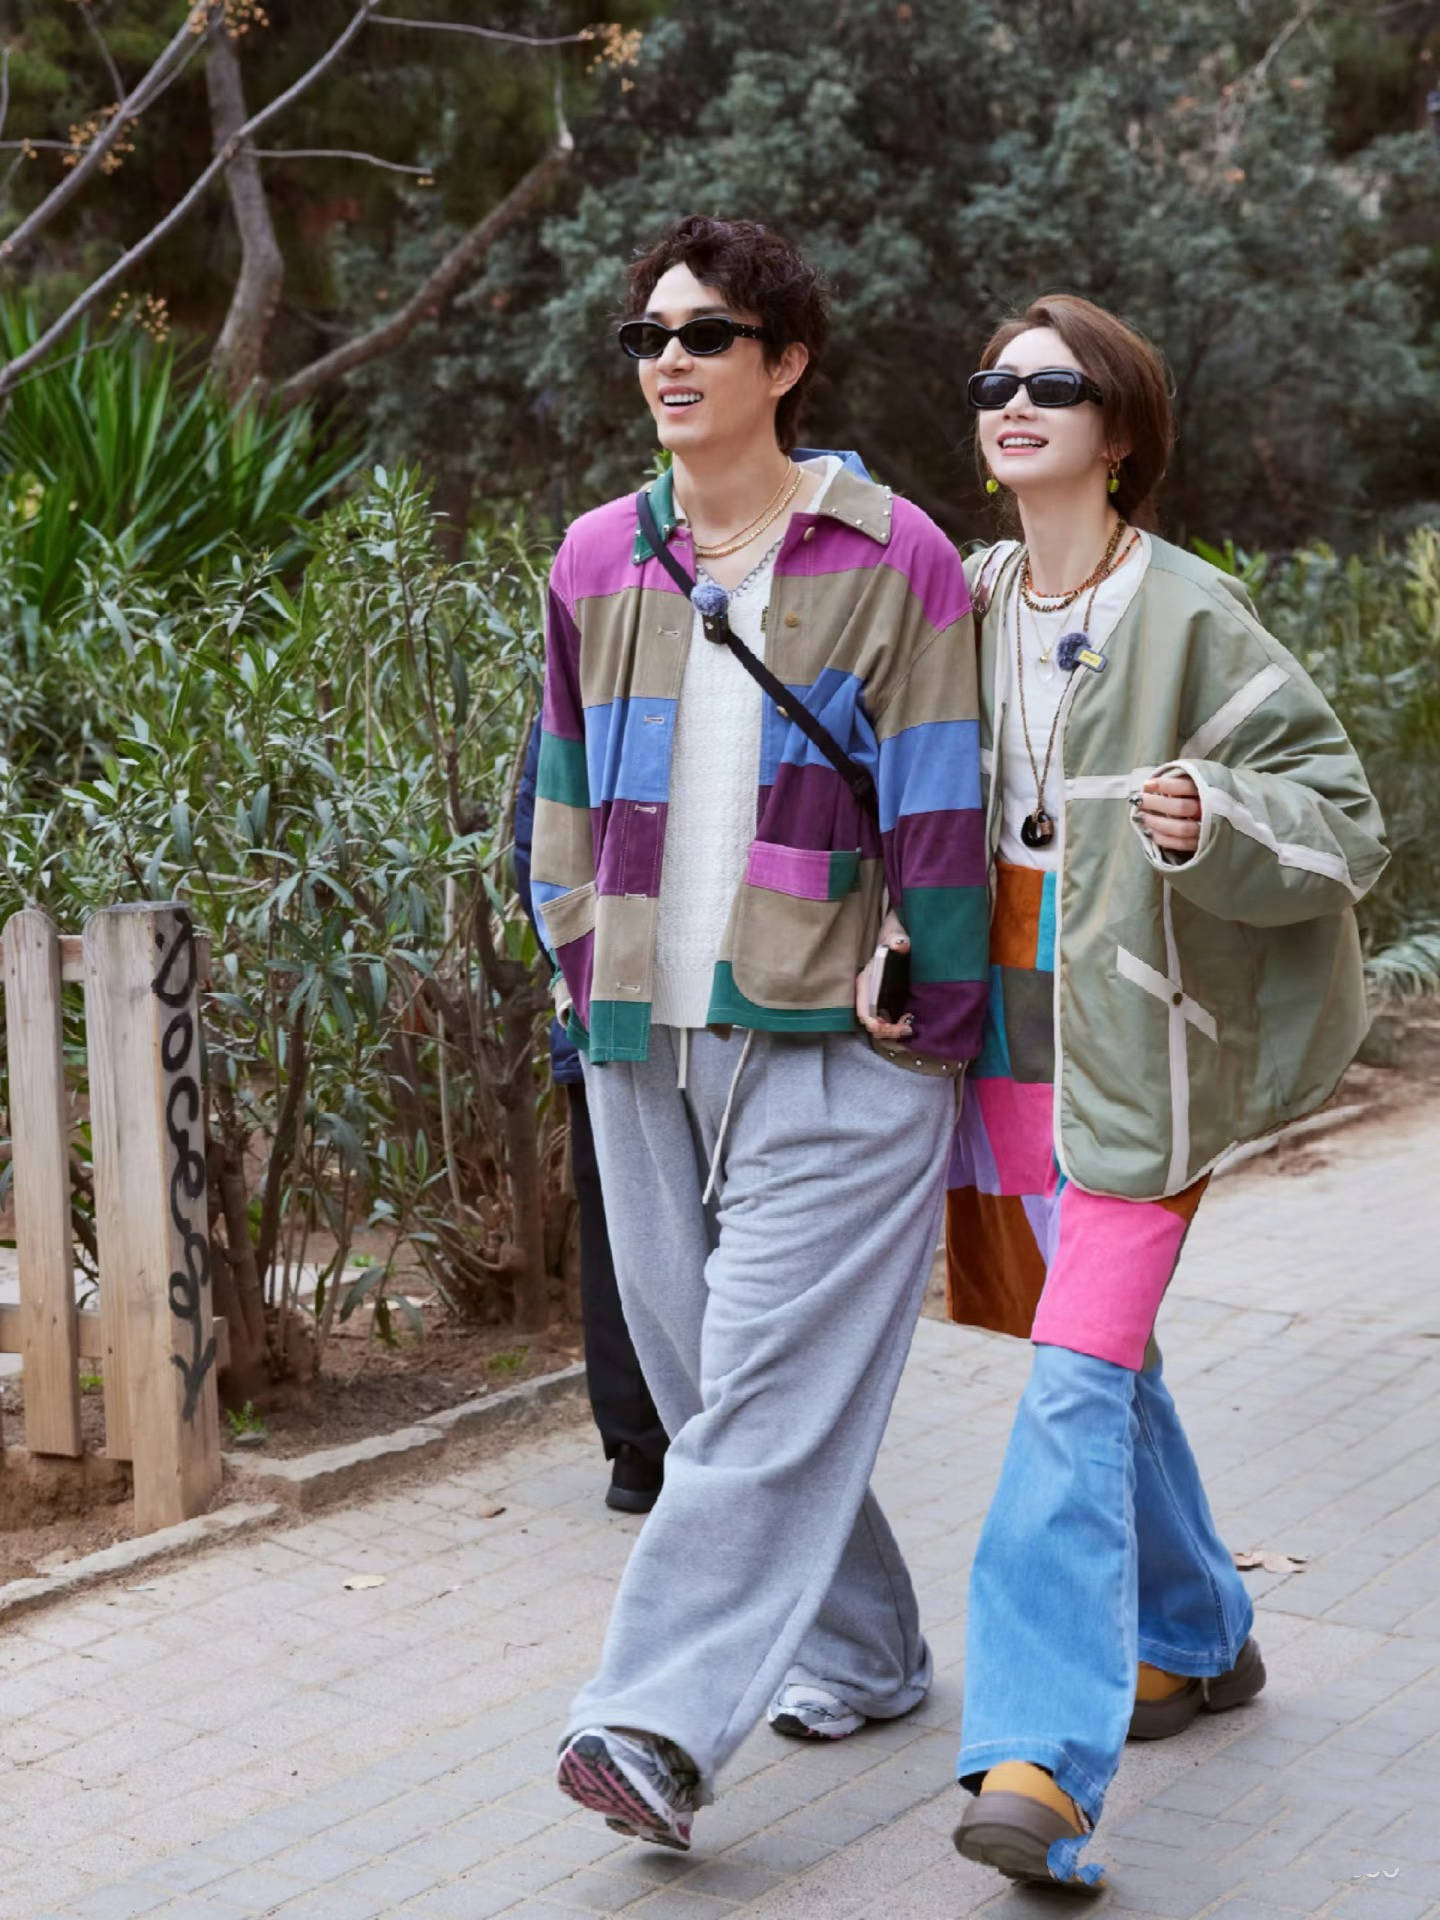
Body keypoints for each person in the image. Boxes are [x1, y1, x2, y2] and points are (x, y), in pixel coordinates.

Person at [531, 214, 988, 1851]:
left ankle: (650, 1723)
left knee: (764, 1388)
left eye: (707, 334)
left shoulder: (893, 553)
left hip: (839, 1038)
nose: (669, 359)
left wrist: (935, 999)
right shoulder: (601, 555)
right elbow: (560, 781)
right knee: (712, 1385)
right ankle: (864, 1652)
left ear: (784, 363)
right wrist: (573, 950)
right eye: (650, 335)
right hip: (643, 1032)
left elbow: (940, 794)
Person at [935, 294, 1387, 1888]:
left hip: (1141, 1050)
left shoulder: (1191, 611)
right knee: (1097, 1358)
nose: (1014, 403)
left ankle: (1039, 1767)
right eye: (994, 381)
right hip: (999, 1040)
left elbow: (1344, 817)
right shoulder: (964, 597)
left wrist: (1212, 815)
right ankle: (1196, 1633)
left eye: (1053, 385)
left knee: (1069, 1385)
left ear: (1120, 429)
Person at [514, 718, 668, 1514]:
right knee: (670, 1225)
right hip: (654, 1014)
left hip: (597, 1007)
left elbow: (534, 855)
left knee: (619, 1228)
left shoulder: (575, 698)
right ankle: (674, 1444)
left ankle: (638, 1453)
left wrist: (574, 970)